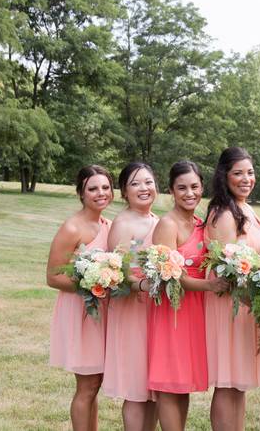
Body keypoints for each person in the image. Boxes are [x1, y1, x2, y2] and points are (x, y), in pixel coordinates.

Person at [146, 161, 228, 431]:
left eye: (194, 186)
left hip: (196, 312)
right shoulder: (167, 225)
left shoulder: (199, 223)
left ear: (202, 187)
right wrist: (209, 286)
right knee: (170, 384)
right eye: (182, 188)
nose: (189, 193)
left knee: (183, 385)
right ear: (171, 191)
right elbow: (171, 276)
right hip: (174, 310)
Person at [204, 147, 260, 431]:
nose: (246, 178)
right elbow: (228, 268)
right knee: (227, 382)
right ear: (224, 176)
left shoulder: (245, 208)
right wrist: (257, 301)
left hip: (247, 304)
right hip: (231, 305)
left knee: (239, 384)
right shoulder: (223, 213)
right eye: (238, 173)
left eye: (250, 172)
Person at [47, 165, 114, 431]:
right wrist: (89, 285)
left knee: (94, 384)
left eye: (106, 187)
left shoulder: (109, 224)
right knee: (86, 385)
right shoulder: (72, 227)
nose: (101, 193)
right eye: (93, 188)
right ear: (81, 193)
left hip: (104, 311)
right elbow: (52, 277)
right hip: (82, 312)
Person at [102, 162, 159, 430]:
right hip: (133, 310)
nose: (143, 188)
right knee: (137, 389)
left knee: (155, 387)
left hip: (156, 310)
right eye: (135, 183)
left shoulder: (157, 220)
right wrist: (142, 285)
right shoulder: (124, 224)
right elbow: (117, 275)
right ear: (124, 191)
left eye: (148, 182)